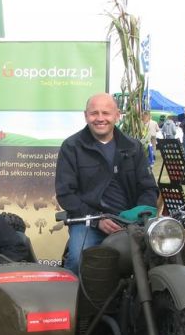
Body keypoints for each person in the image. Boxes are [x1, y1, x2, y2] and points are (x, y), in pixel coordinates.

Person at [55, 93, 159, 274]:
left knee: (160, 255)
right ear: (85, 116)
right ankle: (76, 301)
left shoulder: (133, 147)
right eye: (94, 113)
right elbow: (66, 194)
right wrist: (97, 219)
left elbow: (148, 188)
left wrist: (140, 214)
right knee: (78, 259)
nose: (100, 118)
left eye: (106, 113)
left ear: (117, 115)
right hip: (89, 221)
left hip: (130, 221)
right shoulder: (71, 147)